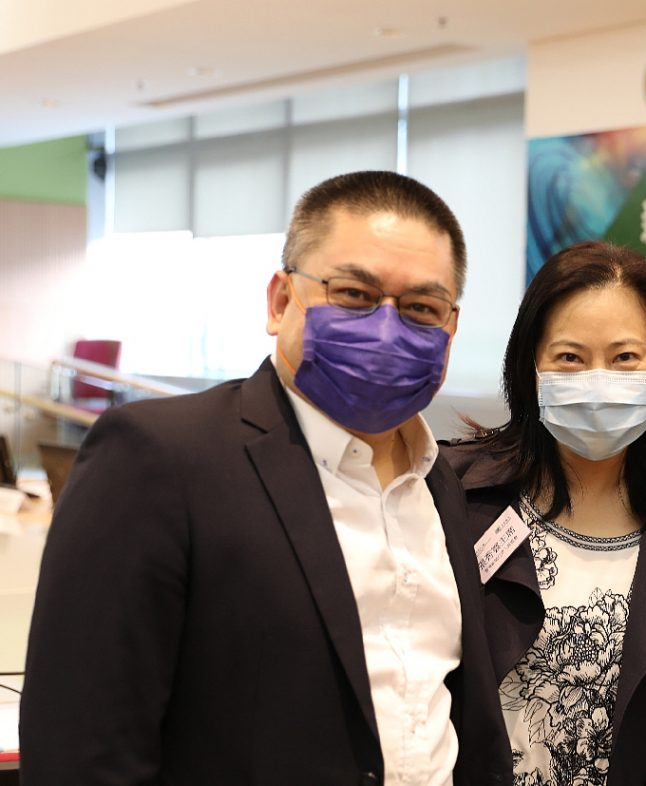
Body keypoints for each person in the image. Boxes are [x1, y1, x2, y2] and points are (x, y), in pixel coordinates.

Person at [20, 171, 509, 785]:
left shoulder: (437, 482)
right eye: (354, 294)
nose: (387, 328)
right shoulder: (158, 459)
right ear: (281, 301)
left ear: (451, 328)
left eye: (420, 308)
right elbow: (81, 750)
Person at [441, 240, 646, 786]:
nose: (598, 379)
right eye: (569, 357)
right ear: (530, 367)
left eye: (625, 358)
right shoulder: (453, 493)